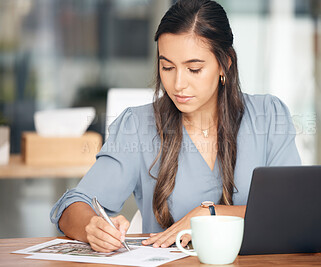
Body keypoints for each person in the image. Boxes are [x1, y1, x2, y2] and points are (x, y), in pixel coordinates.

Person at [50, 0, 301, 253]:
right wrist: (92, 227)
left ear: (225, 63)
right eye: (167, 67)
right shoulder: (137, 126)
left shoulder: (269, 117)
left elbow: (294, 210)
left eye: (194, 69)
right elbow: (73, 204)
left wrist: (210, 214)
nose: (178, 84)